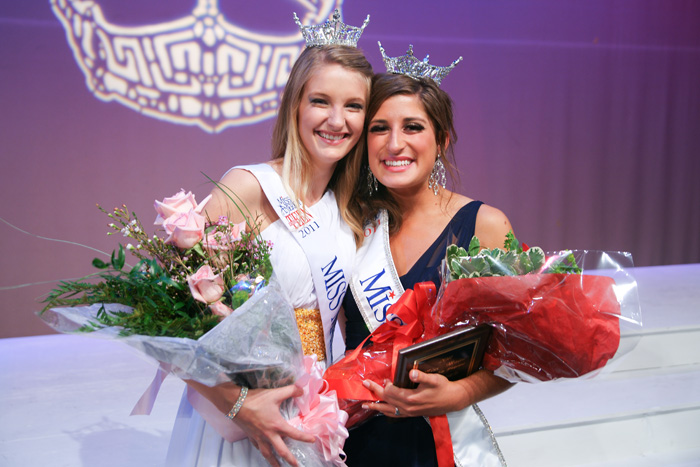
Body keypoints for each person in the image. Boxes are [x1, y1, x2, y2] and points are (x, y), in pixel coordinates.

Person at [164, 11, 373, 467]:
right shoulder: (249, 187)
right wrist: (238, 404)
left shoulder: (350, 209)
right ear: (295, 105)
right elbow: (171, 324)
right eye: (321, 101)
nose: (337, 120)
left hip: (311, 409)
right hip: (238, 416)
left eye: (353, 106)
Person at [341, 44, 514, 466]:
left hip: (436, 443)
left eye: (413, 127)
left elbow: (515, 351)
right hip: (348, 442)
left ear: (442, 139)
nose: (394, 144)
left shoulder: (485, 226)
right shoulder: (347, 221)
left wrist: (459, 392)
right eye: (379, 128)